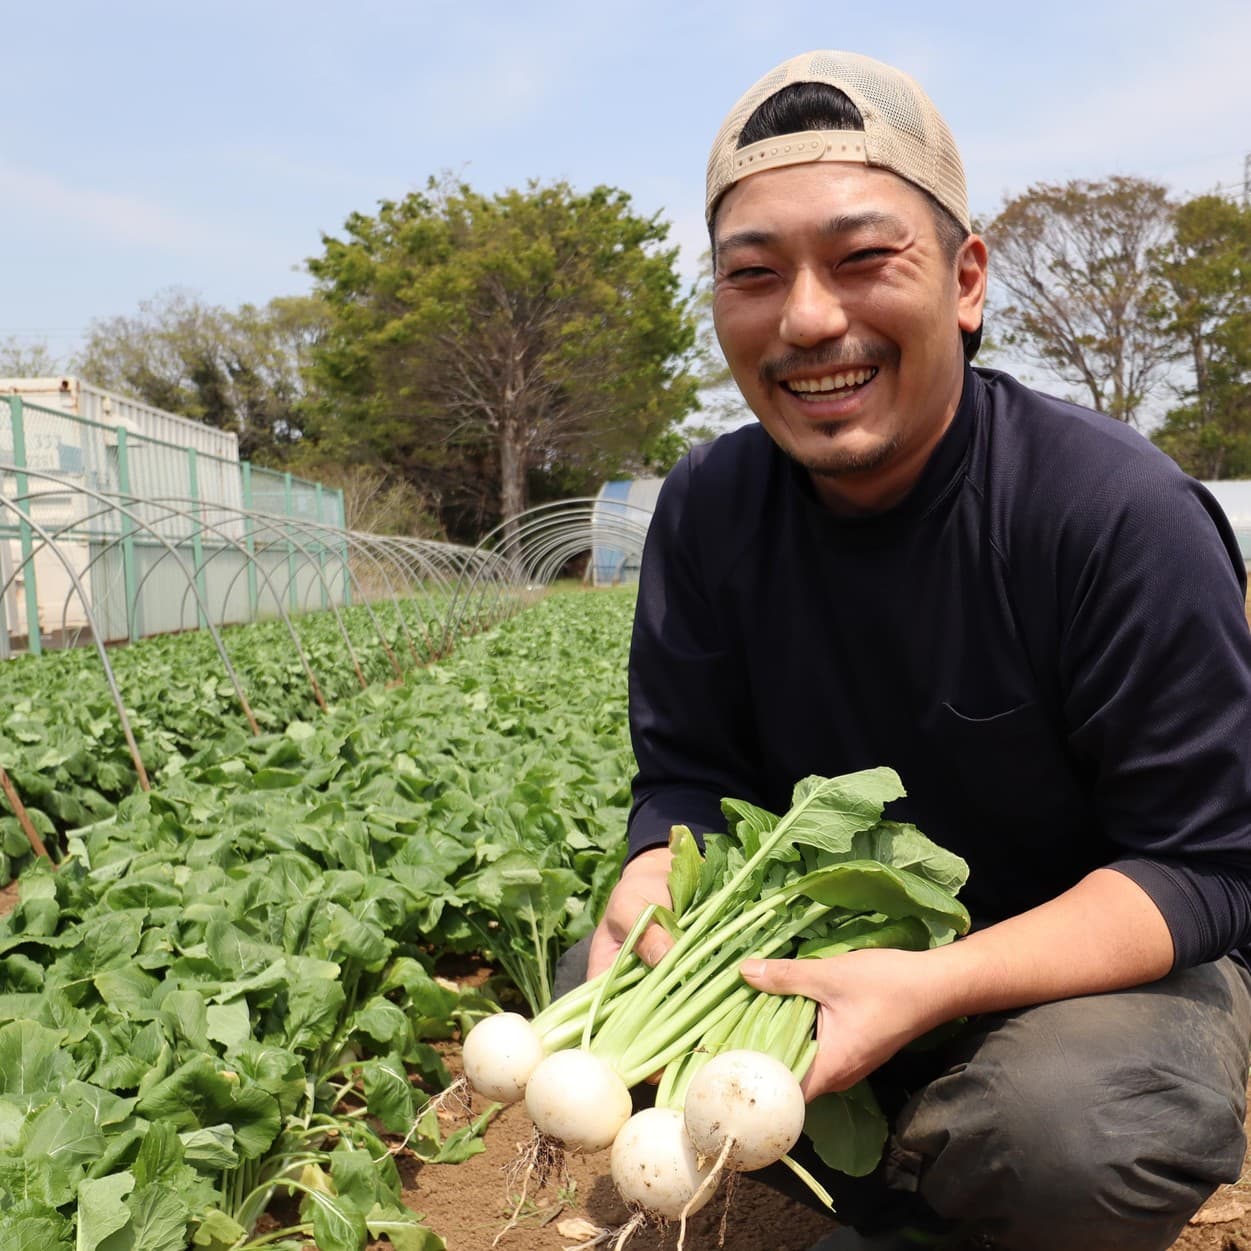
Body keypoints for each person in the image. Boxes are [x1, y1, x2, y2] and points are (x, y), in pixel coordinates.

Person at [578, 50, 1251, 1251]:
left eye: (862, 259)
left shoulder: (1109, 512)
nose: (809, 319)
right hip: (831, 972)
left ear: (966, 279)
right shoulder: (707, 509)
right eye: (754, 275)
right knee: (604, 1025)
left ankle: (946, 1185)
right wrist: (650, 874)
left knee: (1068, 1132)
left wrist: (934, 984)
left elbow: (1207, 867)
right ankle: (895, 1174)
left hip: (1090, 981)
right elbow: (683, 778)